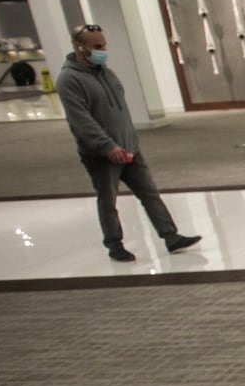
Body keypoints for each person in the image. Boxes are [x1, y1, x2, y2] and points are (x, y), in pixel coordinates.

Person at [57, 23, 202, 263]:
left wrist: (130, 142)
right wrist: (107, 146)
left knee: (150, 194)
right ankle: (114, 245)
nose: (103, 49)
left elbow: (120, 110)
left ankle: (171, 236)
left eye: (104, 44)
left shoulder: (105, 71)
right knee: (108, 200)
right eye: (97, 46)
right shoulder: (69, 80)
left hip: (129, 148)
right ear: (79, 47)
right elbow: (81, 121)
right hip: (102, 154)